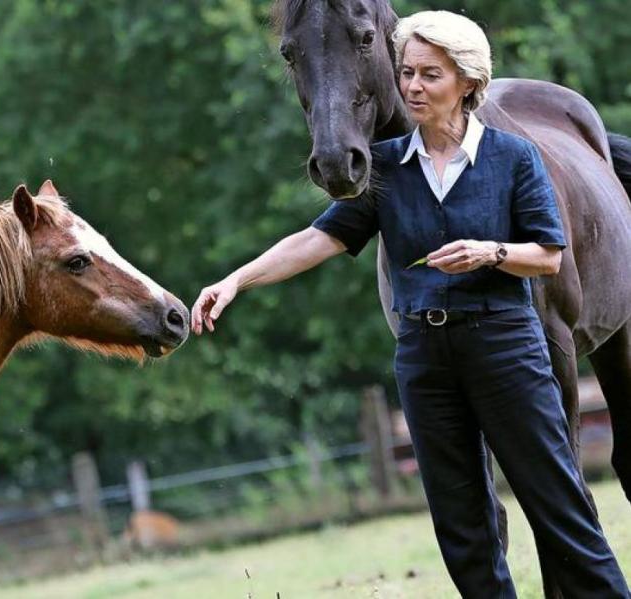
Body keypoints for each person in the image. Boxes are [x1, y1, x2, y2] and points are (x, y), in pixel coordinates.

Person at [191, 10, 629, 599]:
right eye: (407, 74)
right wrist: (236, 281)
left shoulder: (512, 158)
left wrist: (489, 252)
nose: (413, 86)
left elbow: (549, 257)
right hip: (427, 358)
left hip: (505, 345)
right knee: (462, 527)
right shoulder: (391, 169)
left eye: (429, 75)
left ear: (468, 83)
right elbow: (319, 238)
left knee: (560, 509)